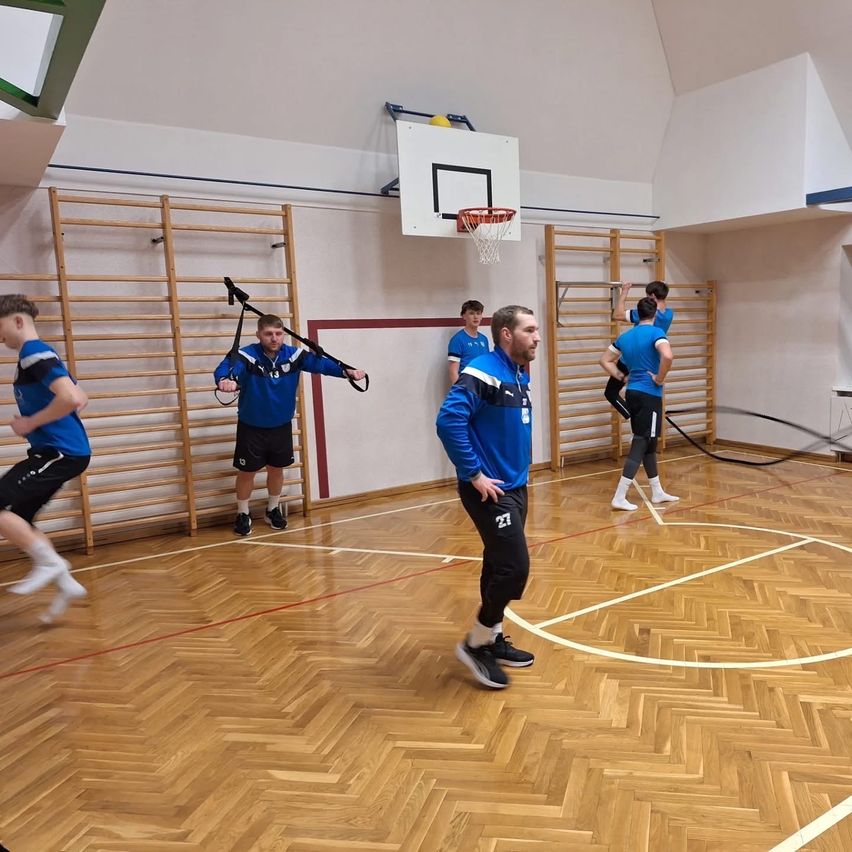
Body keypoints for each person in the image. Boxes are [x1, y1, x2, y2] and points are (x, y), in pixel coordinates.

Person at [436, 304, 540, 689]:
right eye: (530, 330)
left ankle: (492, 638)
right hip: (489, 490)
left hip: (515, 486)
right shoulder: (482, 371)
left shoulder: (518, 372)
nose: (537, 337)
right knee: (515, 568)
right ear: (507, 334)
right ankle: (475, 643)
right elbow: (448, 421)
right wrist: (474, 473)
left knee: (498, 563)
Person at [215, 313, 365, 536]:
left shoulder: (294, 355)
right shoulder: (246, 355)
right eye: (268, 334)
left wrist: (346, 372)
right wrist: (224, 380)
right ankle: (243, 513)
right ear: (258, 335)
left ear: (283, 334)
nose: (274, 338)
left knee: (276, 470)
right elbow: (227, 367)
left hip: (281, 426)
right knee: (247, 472)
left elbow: (321, 364)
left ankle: (273, 509)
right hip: (252, 427)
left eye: (278, 333)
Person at [0, 294, 90, 623]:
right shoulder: (41, 354)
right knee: (20, 518)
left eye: (0, 328)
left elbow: (71, 398)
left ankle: (51, 564)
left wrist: (31, 423)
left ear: (18, 321)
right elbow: (81, 397)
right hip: (57, 451)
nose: (0, 337)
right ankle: (65, 583)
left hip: (60, 451)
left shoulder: (32, 353)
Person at [599, 296, 678, 511]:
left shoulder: (626, 336)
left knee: (649, 444)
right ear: (655, 314)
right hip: (649, 394)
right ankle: (620, 495)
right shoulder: (656, 333)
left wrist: (620, 376)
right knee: (641, 441)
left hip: (632, 392)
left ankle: (657, 491)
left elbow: (604, 360)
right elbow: (668, 356)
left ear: (638, 314)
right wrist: (659, 378)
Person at [605, 281, 673, 418]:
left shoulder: (644, 314)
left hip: (630, 360)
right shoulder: (669, 314)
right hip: (650, 362)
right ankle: (639, 415)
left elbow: (617, 315)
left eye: (648, 296)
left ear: (652, 296)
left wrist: (625, 291)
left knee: (611, 392)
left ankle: (631, 414)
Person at [447, 299, 489, 385]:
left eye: (478, 313)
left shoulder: (484, 339)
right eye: (471, 313)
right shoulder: (457, 340)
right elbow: (453, 372)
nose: (475, 317)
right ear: (464, 316)